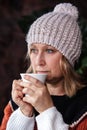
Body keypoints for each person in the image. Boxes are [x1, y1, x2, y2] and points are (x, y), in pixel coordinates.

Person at [0, 3, 87, 130]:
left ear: (68, 58)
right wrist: (24, 113)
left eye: (49, 51)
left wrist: (47, 111)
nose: (39, 61)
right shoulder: (18, 102)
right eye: (34, 50)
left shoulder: (83, 107)